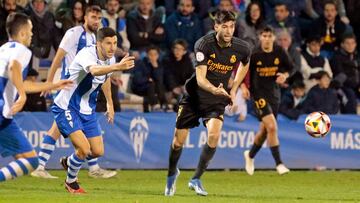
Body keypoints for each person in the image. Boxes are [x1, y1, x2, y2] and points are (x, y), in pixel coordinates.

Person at [164, 10, 251, 196]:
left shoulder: (241, 47)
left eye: (232, 26)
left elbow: (245, 63)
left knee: (214, 135)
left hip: (216, 100)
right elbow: (201, 79)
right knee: (178, 142)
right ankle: (172, 173)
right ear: (216, 27)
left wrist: (234, 88)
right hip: (194, 97)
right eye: (225, 26)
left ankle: (196, 179)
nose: (229, 31)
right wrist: (215, 89)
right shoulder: (204, 44)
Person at [31, 5, 117, 179]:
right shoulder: (74, 33)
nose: (96, 21)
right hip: (66, 86)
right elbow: (58, 57)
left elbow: (105, 74)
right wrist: (49, 82)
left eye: (99, 18)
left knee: (60, 129)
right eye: (93, 17)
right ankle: (43, 167)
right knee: (61, 128)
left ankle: (43, 165)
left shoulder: (97, 39)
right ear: (85, 17)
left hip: (83, 91)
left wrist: (109, 101)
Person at [52, 27, 134, 193]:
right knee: (84, 149)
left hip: (87, 109)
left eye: (115, 43)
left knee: (97, 151)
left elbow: (104, 80)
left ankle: (68, 162)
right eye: (108, 43)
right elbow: (95, 70)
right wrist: (117, 67)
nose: (112, 47)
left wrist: (110, 104)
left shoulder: (110, 60)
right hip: (67, 105)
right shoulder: (86, 54)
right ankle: (71, 182)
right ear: (98, 44)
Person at [0, 13, 72, 182]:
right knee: (30, 161)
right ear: (23, 33)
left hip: (4, 117)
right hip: (2, 111)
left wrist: (52, 85)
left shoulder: (3, 49)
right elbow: (14, 68)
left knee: (31, 160)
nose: (32, 34)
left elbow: (21, 82)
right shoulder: (23, 51)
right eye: (31, 30)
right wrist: (22, 96)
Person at [243, 26, 294, 176]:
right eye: (263, 36)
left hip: (274, 95)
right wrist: (243, 87)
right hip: (258, 94)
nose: (266, 38)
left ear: (273, 37)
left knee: (265, 131)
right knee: (272, 127)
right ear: (260, 37)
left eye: (268, 36)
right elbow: (243, 71)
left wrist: (285, 75)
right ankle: (279, 163)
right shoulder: (254, 53)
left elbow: (292, 68)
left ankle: (250, 155)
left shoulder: (279, 51)